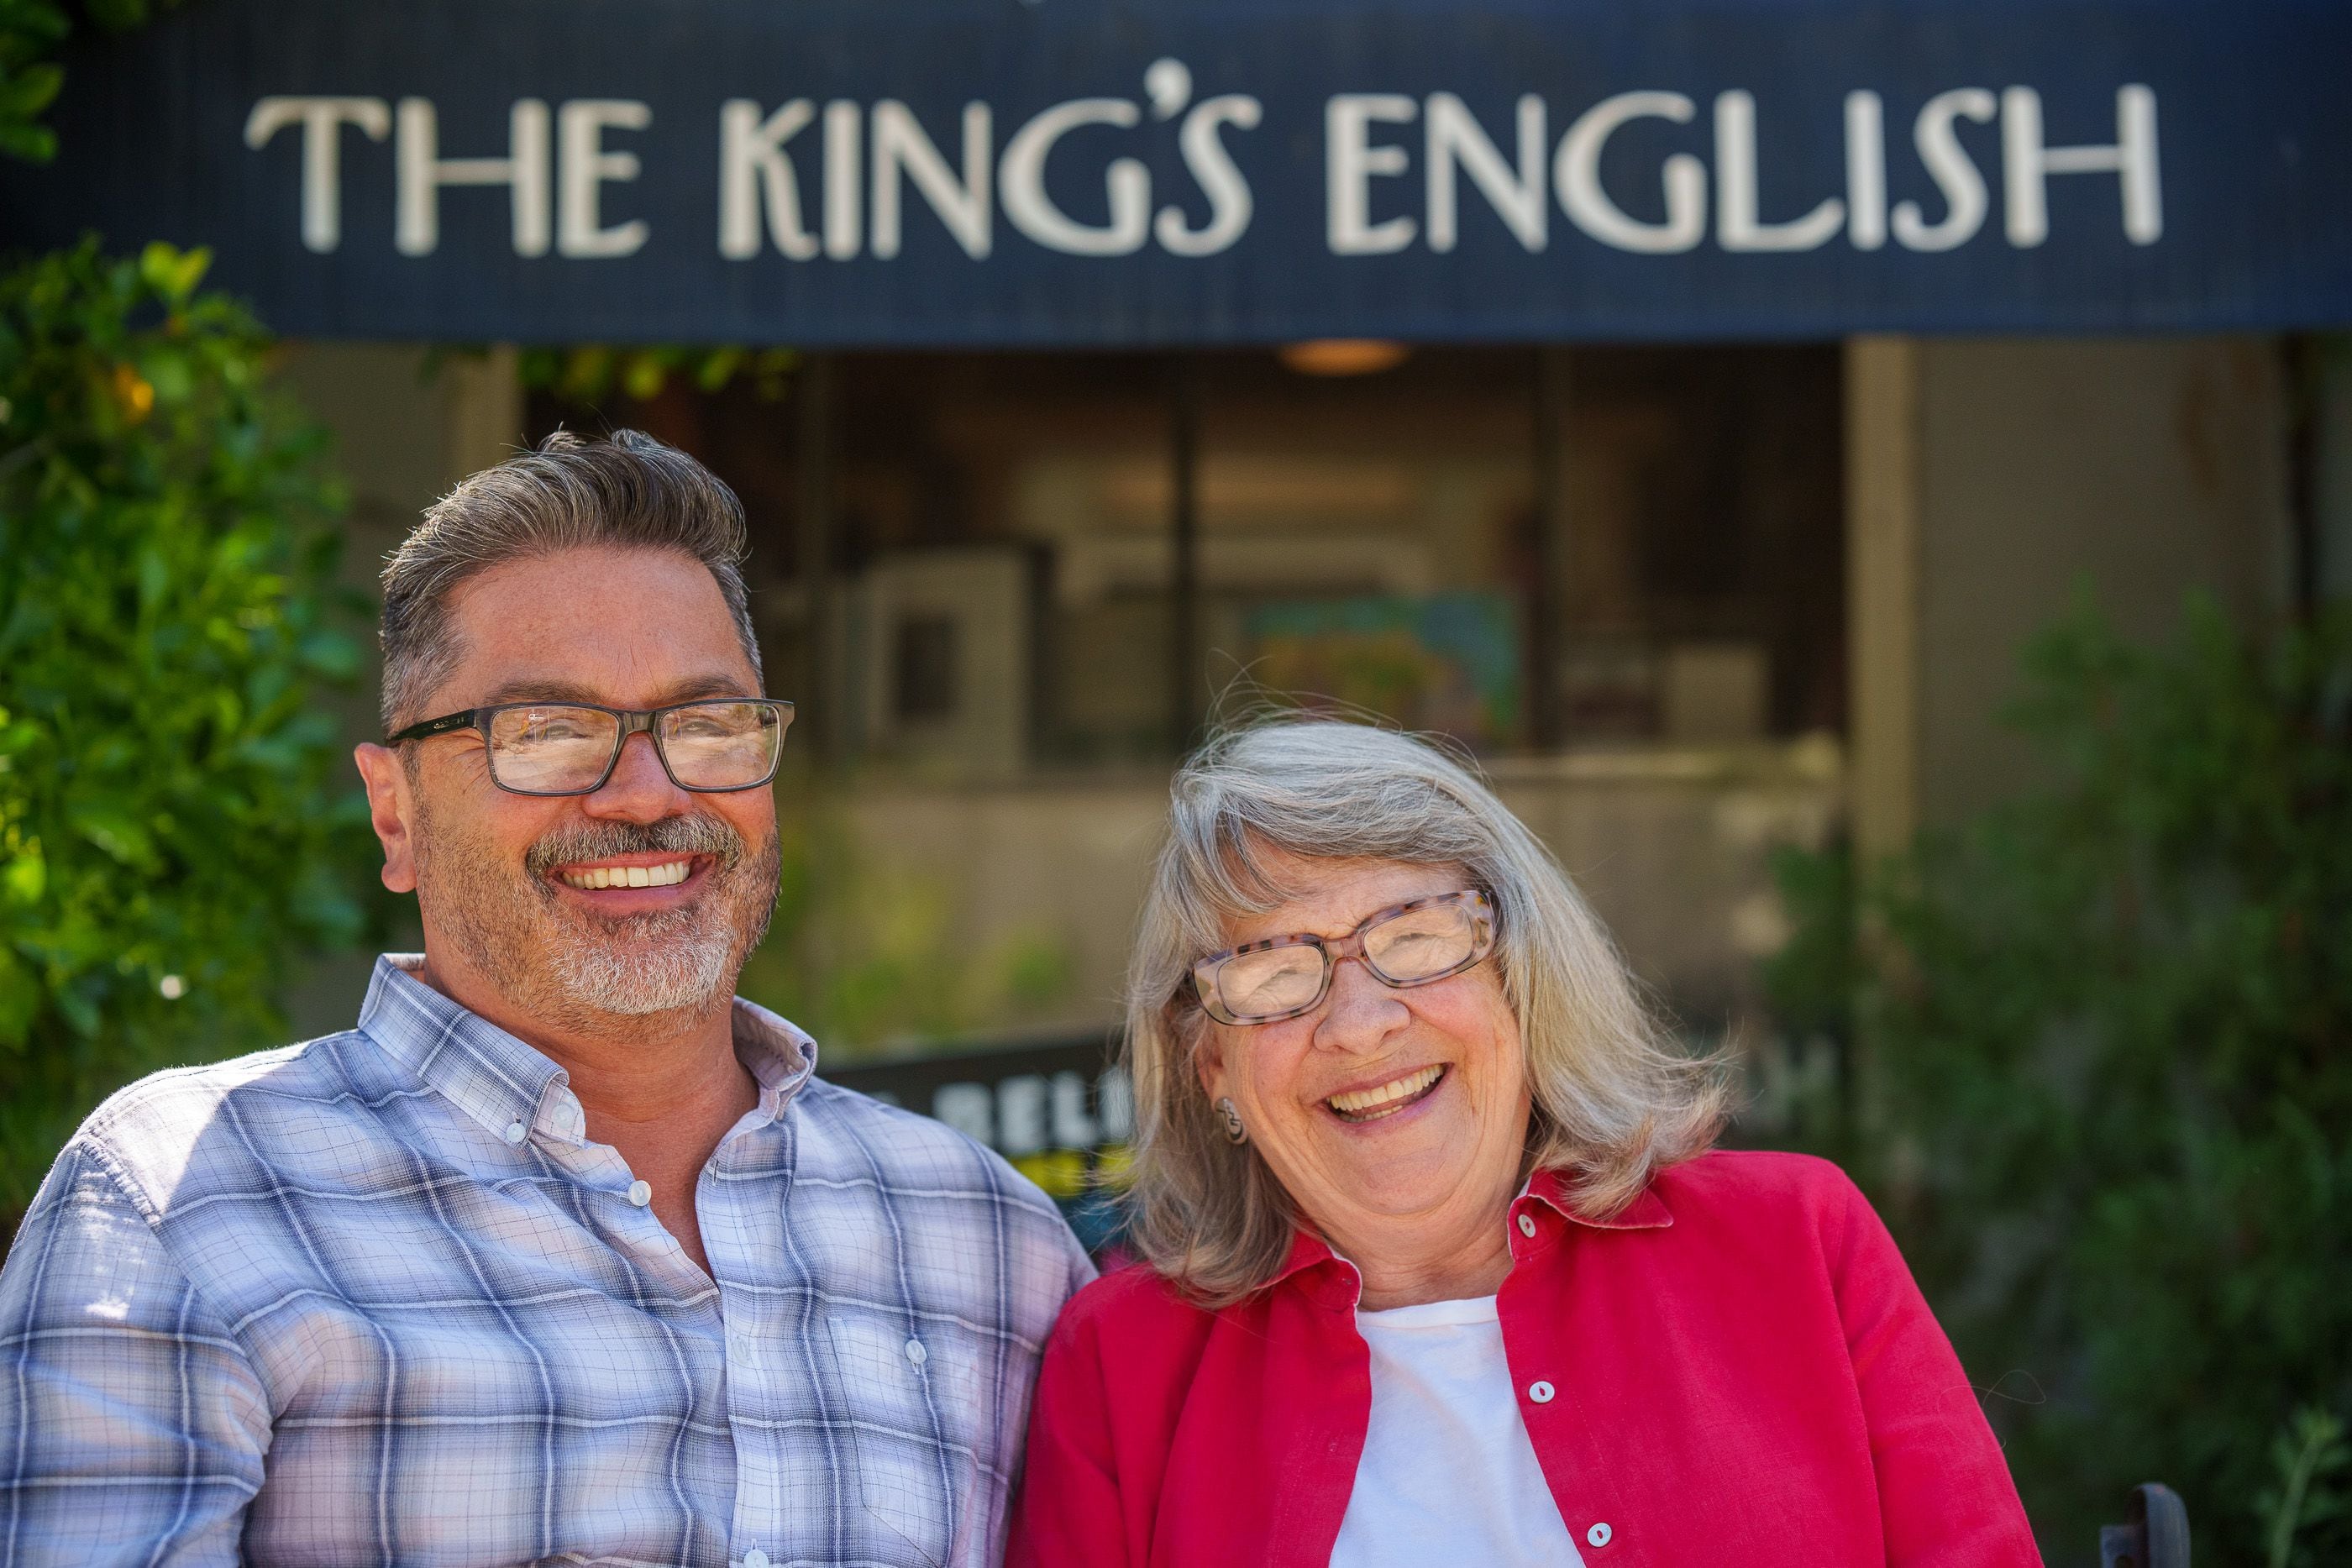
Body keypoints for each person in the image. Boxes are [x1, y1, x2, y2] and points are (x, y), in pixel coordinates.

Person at [0, 431, 1092, 1566]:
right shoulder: (189, 1197)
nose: (645, 792)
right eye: (549, 732)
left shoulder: (989, 1242)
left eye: (708, 723)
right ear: (396, 812)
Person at [1010, 719, 2042, 1567]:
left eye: (1414, 936)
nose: (1360, 1023)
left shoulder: (1797, 1243)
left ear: (1522, 979)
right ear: (1213, 1071)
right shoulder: (1120, 1366)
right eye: (1274, 971)